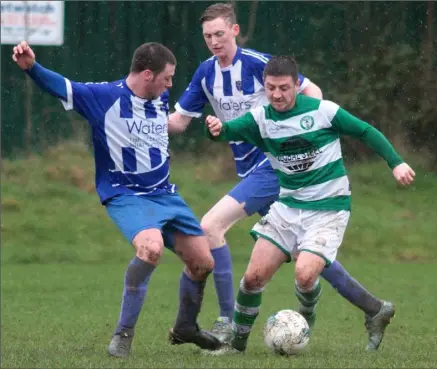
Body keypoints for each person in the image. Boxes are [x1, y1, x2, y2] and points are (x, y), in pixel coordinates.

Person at [168, 2, 395, 351]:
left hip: (271, 170)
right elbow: (180, 121)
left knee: (210, 226)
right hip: (256, 174)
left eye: (218, 33)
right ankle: (374, 308)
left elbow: (313, 95)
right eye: (206, 35)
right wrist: (143, 120)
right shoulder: (205, 73)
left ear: (234, 31)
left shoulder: (260, 64)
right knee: (306, 257)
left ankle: (226, 323)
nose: (213, 41)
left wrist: (304, 137)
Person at [12, 41, 222, 357]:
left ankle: (185, 327)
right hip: (126, 196)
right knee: (150, 249)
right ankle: (123, 336)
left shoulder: (159, 97)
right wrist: (32, 67)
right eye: (167, 77)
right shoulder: (103, 97)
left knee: (203, 263)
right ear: (148, 74)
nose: (170, 85)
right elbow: (61, 86)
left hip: (166, 195)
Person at [204, 55, 415, 354]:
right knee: (252, 278)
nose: (277, 94)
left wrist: (396, 163)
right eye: (271, 88)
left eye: (284, 88)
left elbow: (365, 131)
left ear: (296, 85)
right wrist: (213, 128)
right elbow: (225, 132)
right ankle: (236, 346)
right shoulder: (261, 119)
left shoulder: (322, 111)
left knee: (305, 274)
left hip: (328, 209)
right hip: (287, 208)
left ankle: (307, 317)